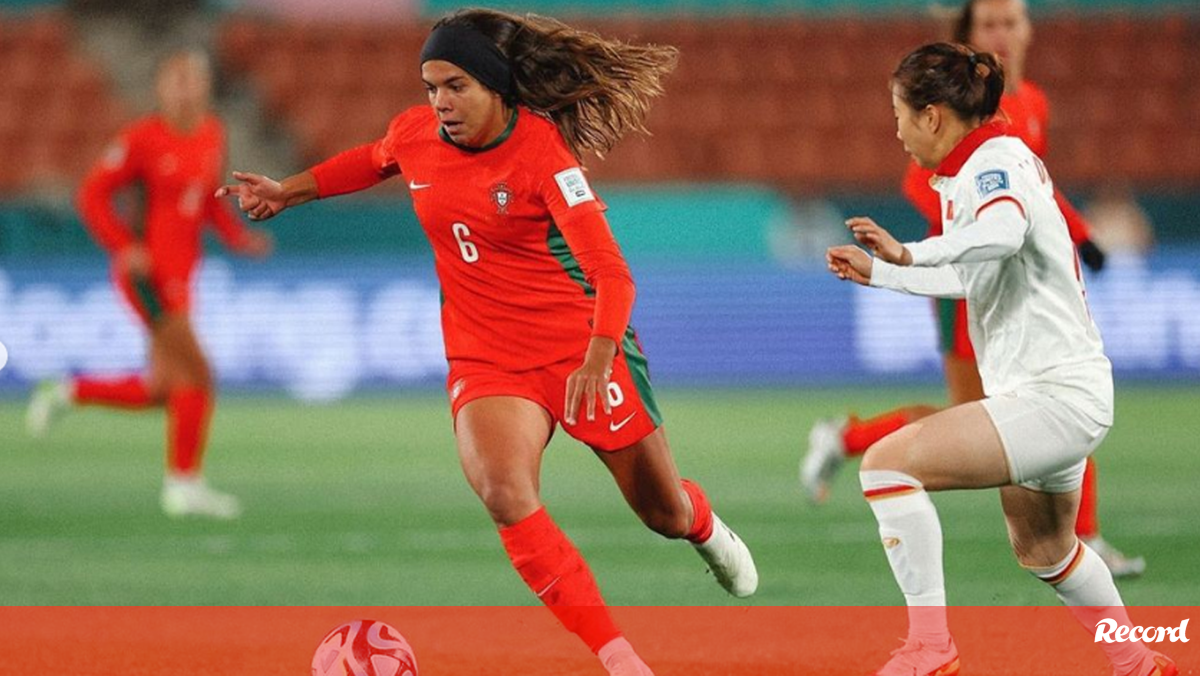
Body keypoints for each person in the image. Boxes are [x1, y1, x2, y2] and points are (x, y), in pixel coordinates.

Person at [214, 10, 757, 675]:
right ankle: (621, 660)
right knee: (505, 493)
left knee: (661, 511)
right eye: (431, 86)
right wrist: (289, 191)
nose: (439, 102)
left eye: (456, 85)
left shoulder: (545, 157)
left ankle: (703, 526)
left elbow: (611, 272)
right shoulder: (416, 134)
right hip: (488, 356)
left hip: (579, 349)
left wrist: (598, 354)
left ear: (497, 86)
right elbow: (373, 160)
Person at [825, 42, 1176, 676]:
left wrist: (911, 254)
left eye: (900, 112)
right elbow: (974, 272)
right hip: (1058, 394)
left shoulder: (995, 161)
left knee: (884, 466)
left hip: (1053, 396)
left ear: (933, 115)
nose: (896, 128)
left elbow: (1004, 231)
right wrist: (884, 272)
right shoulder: (974, 170)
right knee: (1045, 548)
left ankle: (930, 648)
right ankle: (1138, 664)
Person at [800, 0, 1145, 578]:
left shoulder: (1025, 107)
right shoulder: (956, 116)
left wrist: (1078, 235)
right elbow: (932, 187)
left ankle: (1079, 540)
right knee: (985, 415)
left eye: (1012, 22)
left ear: (1029, 29)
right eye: (990, 24)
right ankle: (852, 438)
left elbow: (1030, 200)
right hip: (967, 270)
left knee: (1021, 413)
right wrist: (926, 249)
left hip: (994, 265)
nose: (1003, 34)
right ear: (969, 33)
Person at [25, 51, 273, 519]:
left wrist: (238, 238)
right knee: (199, 375)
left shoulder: (211, 133)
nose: (184, 89)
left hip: (184, 275)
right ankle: (183, 485)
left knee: (164, 389)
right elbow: (92, 195)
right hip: (148, 278)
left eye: (192, 80)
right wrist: (123, 245)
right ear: (161, 88)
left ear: (204, 86)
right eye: (175, 80)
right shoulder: (142, 139)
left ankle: (68, 392)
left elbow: (205, 202)